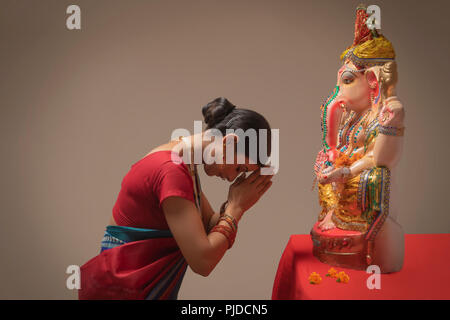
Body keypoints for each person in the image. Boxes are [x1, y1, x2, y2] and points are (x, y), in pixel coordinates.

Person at [78, 97, 274, 299]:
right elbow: (203, 261)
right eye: (239, 168)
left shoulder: (180, 159)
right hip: (121, 292)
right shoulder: (171, 171)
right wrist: (236, 208)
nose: (233, 178)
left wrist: (239, 203)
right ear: (229, 142)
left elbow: (209, 226)